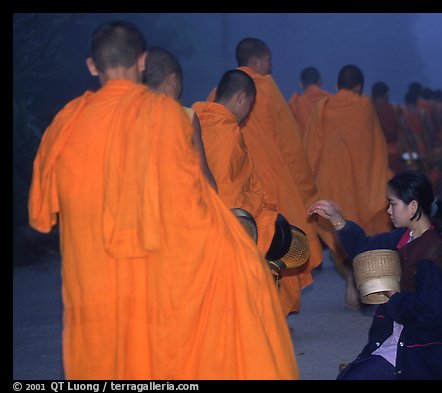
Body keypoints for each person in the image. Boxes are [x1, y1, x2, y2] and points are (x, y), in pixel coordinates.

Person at [28, 20, 298, 379]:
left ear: (92, 66)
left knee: (101, 362)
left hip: (90, 283)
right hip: (152, 275)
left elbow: (41, 215)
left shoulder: (65, 122)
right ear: (141, 62)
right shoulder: (166, 117)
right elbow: (195, 201)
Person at [308, 170, 442, 380]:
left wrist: (393, 296)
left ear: (413, 207)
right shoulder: (405, 237)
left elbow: (432, 312)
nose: (388, 210)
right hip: (400, 337)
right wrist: (337, 220)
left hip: (425, 351)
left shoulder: (430, 254)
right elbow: (365, 249)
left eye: (393, 203)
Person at [208, 37, 333, 316]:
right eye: (268, 61)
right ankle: (272, 315)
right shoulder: (263, 86)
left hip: (229, 190)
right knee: (278, 247)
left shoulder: (218, 91)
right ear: (255, 61)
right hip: (268, 186)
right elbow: (289, 143)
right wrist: (306, 187)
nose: (271, 67)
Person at [303, 65, 394, 309]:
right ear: (359, 87)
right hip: (363, 186)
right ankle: (361, 282)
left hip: (332, 186)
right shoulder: (365, 107)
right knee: (365, 230)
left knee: (339, 228)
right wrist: (381, 178)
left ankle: (352, 280)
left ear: (336, 86)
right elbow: (377, 150)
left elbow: (312, 150)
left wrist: (307, 184)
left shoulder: (323, 108)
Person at [192, 69, 279, 258]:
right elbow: (227, 197)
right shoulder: (227, 134)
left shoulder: (194, 118)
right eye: (250, 104)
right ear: (240, 98)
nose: (248, 112)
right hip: (221, 224)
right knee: (281, 234)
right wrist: (261, 203)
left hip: (190, 218)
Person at [143, 46, 217, 191]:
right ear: (172, 80)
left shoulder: (128, 115)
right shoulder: (186, 117)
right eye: (180, 81)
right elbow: (203, 173)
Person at [288, 66, 331, 137]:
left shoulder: (295, 104)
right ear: (320, 82)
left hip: (304, 146)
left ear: (301, 84)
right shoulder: (332, 101)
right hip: (330, 146)